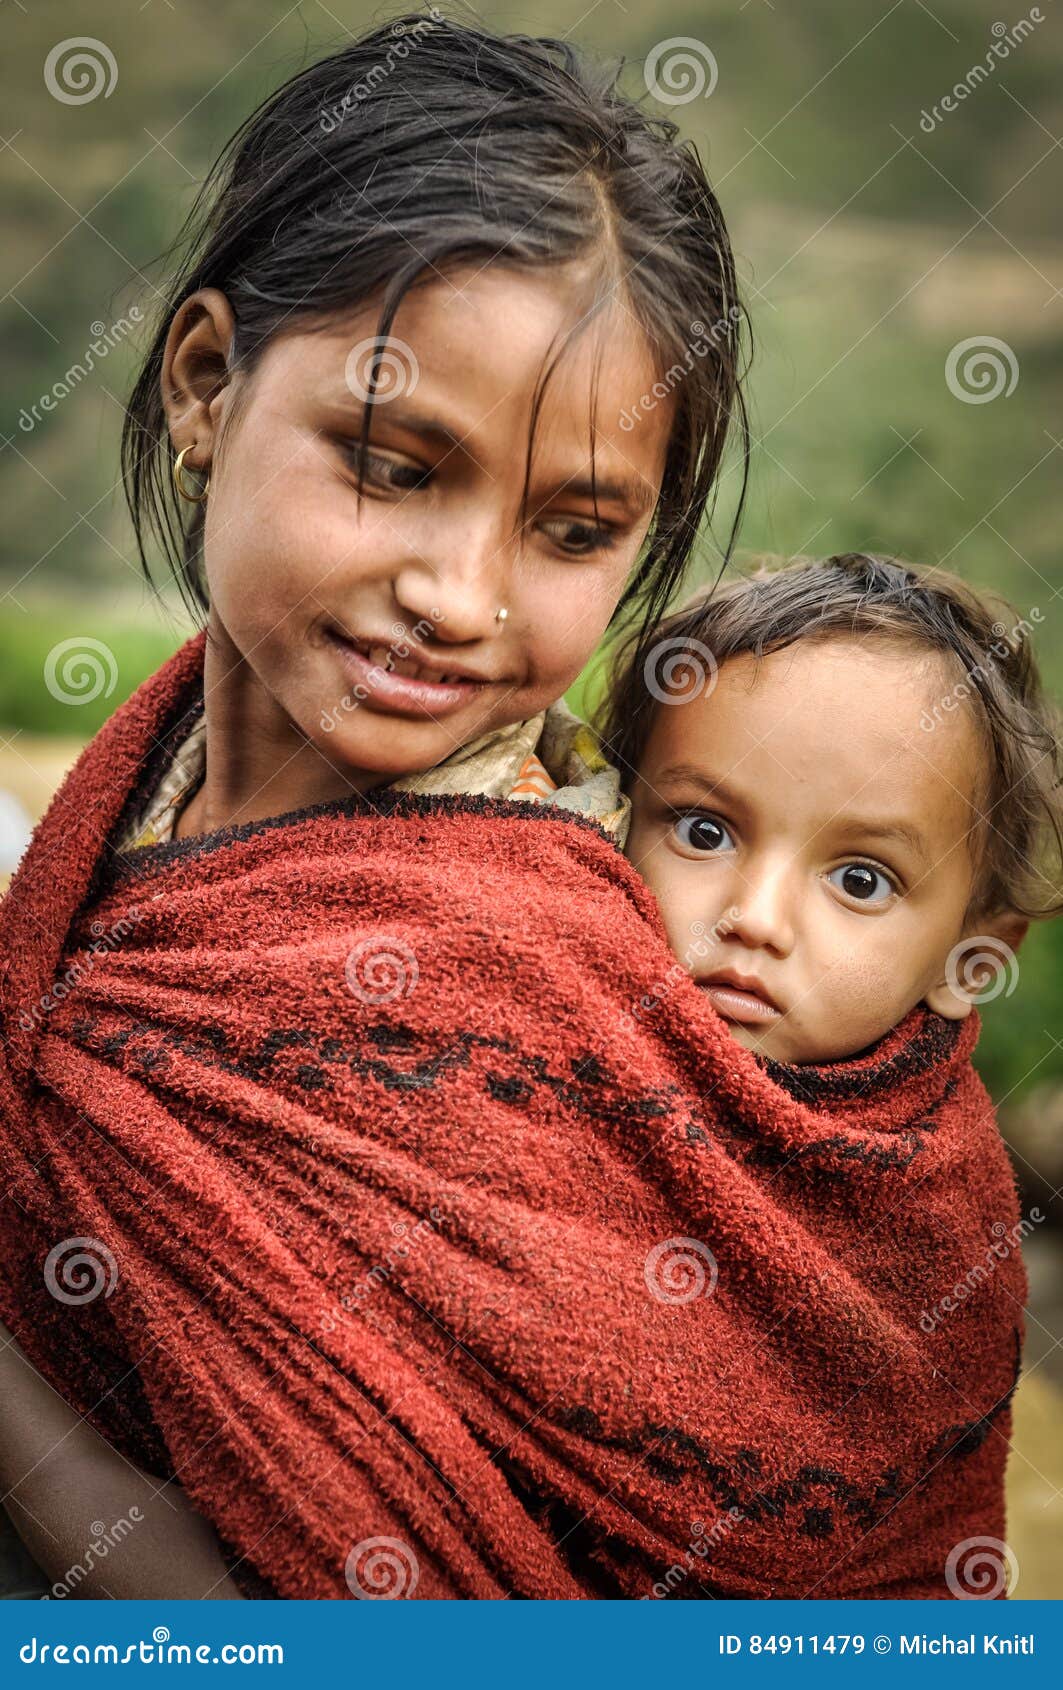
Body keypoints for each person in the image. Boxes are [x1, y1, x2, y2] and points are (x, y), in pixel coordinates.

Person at [0, 8, 747, 1598]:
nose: (459, 595)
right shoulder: (127, 800)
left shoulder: (540, 966)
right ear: (206, 387)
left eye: (570, 528)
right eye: (395, 466)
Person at [602, 554, 1062, 1064]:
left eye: (860, 881)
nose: (755, 919)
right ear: (609, 817)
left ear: (968, 960)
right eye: (705, 832)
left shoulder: (934, 1144)